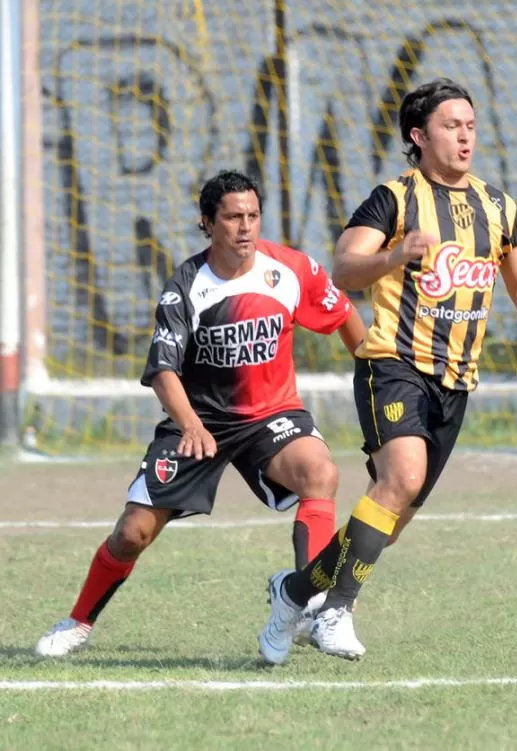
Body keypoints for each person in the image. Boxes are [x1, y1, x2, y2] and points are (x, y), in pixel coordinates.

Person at [257, 77, 517, 664]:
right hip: (394, 363)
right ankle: (336, 611)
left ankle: (296, 591)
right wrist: (395, 255)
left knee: (391, 518)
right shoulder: (394, 199)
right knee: (401, 478)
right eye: (451, 126)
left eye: (470, 125)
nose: (465, 136)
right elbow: (345, 268)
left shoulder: (498, 207)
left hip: (456, 381)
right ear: (419, 136)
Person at [35, 169, 367, 658]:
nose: (245, 227)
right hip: (198, 420)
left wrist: (377, 377)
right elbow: (162, 371)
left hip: (270, 415)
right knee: (132, 533)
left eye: (253, 215)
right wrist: (190, 424)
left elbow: (344, 316)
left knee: (320, 473)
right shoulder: (186, 286)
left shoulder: (292, 269)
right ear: (208, 223)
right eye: (232, 217)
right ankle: (78, 622)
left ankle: (311, 604)